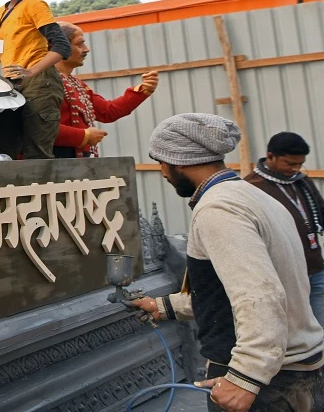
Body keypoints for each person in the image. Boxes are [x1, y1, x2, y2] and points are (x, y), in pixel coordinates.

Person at [131, 114, 324, 412]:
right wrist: (165, 307)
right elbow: (234, 290)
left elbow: (258, 294)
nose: (163, 172)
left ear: (178, 161)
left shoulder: (219, 208)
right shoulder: (252, 195)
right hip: (295, 371)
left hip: (269, 382)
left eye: (161, 162)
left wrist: (246, 376)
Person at [0, 0, 71, 159]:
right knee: (1, 150)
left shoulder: (34, 5)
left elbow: (62, 46)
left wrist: (32, 71)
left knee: (37, 152)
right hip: (12, 82)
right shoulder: (1, 12)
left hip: (39, 83)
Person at [244, 132, 324, 329]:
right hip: (285, 276)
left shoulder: (301, 181)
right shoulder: (251, 187)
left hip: (316, 269)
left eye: (300, 164)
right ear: (270, 156)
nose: (296, 169)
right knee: (297, 331)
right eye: (290, 164)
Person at [53, 22, 157, 158]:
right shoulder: (43, 81)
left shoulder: (76, 84)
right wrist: (83, 136)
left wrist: (143, 90)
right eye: (79, 44)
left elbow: (108, 111)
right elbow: (38, 127)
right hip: (52, 160)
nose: (86, 49)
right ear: (59, 46)